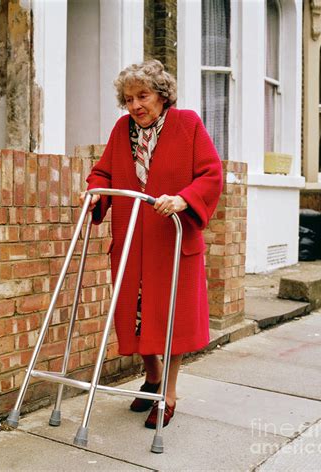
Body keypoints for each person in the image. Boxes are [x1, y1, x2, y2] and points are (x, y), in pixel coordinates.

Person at [79, 59, 223, 429]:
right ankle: (153, 375)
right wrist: (96, 190)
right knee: (137, 314)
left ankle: (168, 395)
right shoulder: (121, 129)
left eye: (142, 96)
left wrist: (184, 199)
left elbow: (210, 173)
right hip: (131, 241)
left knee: (171, 318)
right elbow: (104, 170)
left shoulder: (187, 123)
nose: (135, 106)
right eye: (128, 99)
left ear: (161, 96)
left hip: (171, 241)